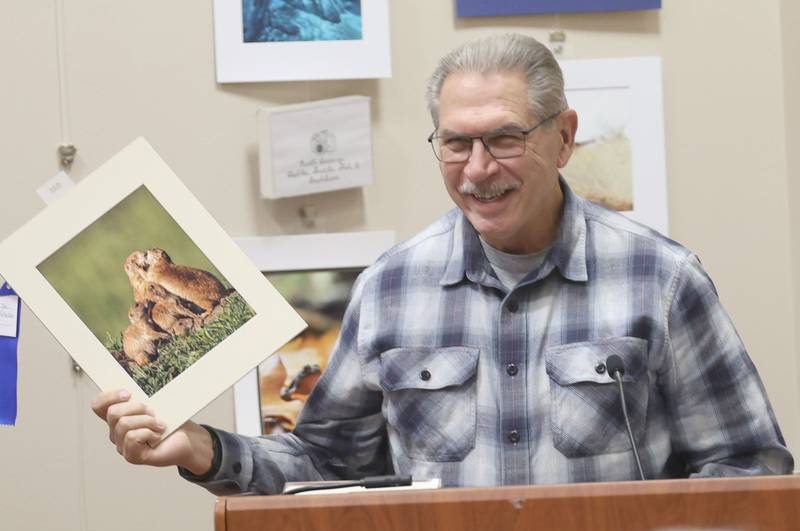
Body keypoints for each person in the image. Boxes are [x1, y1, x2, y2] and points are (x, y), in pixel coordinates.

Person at [92, 33, 793, 495]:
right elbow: (326, 469)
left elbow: (749, 473)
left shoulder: (662, 281)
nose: (478, 170)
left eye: (505, 139)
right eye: (456, 144)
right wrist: (197, 448)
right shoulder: (391, 289)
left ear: (565, 137)